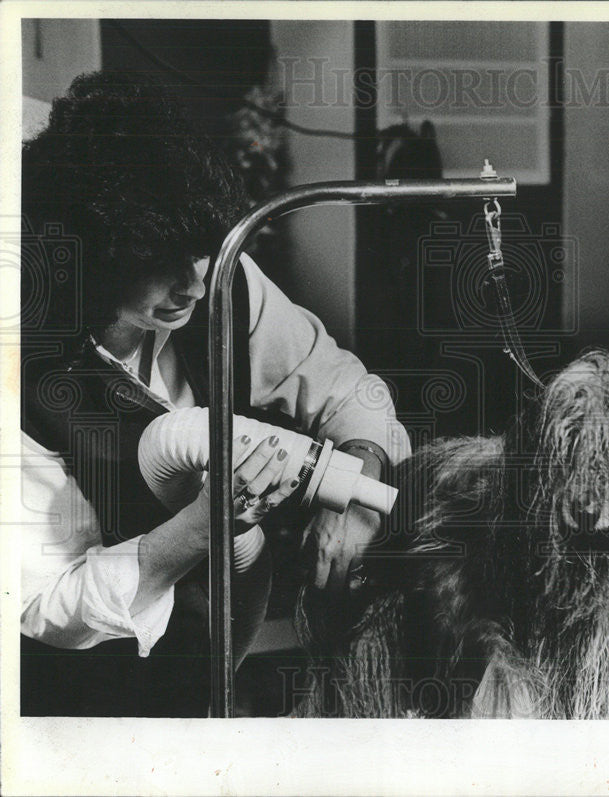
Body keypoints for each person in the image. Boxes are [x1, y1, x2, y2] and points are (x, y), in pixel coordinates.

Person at [19, 71, 410, 716]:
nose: (195, 287)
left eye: (200, 255)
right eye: (160, 262)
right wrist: (202, 530)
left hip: (218, 661)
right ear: (93, 253)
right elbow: (43, 609)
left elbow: (346, 387)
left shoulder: (221, 276)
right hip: (81, 700)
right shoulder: (23, 367)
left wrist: (359, 489)